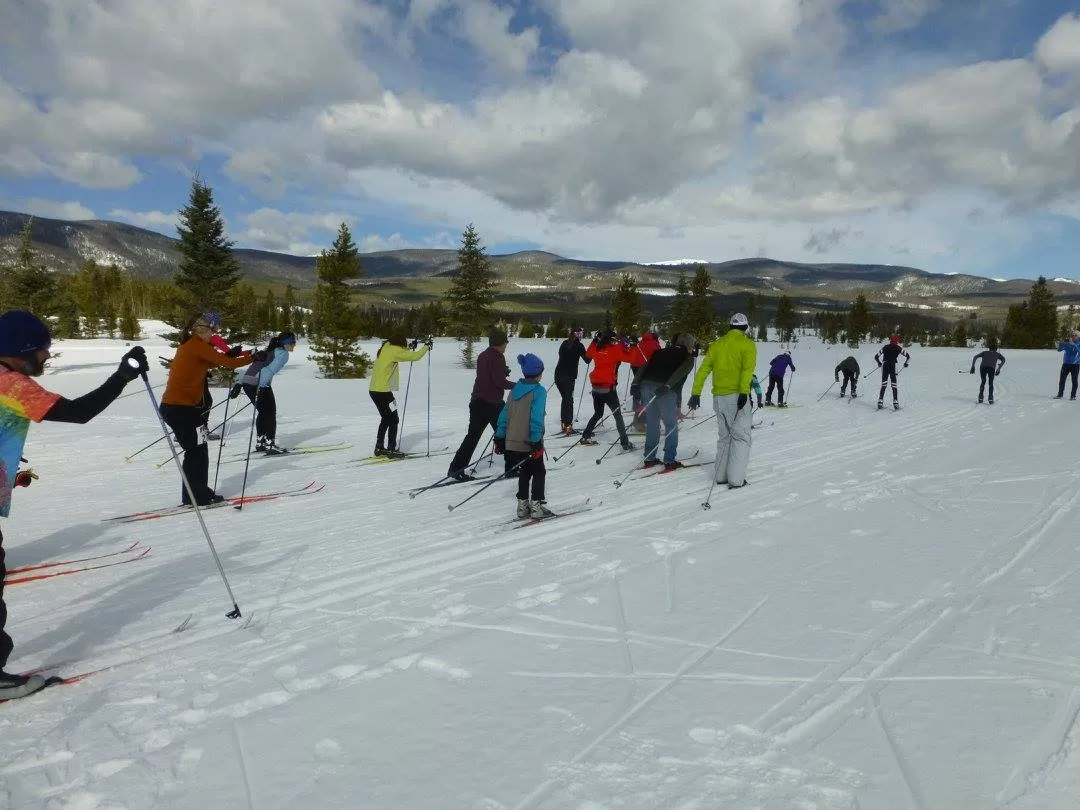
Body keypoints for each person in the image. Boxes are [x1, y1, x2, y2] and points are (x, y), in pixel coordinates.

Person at [0, 310, 149, 700]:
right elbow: (79, 413)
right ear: (19, 351)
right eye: (43, 350)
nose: (48, 357)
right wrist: (122, 376)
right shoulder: (12, 384)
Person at [161, 314, 252, 505]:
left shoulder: (193, 345)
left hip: (179, 408)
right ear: (203, 329)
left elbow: (214, 361)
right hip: (180, 408)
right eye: (214, 329)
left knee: (196, 451)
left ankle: (194, 494)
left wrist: (230, 355)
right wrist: (252, 357)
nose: (216, 333)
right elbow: (226, 364)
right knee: (197, 452)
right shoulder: (196, 345)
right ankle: (198, 495)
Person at [687, 313, 757, 489]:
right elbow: (747, 371)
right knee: (741, 437)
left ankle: (720, 476)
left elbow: (703, 370)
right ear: (745, 327)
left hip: (719, 398)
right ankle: (736, 479)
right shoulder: (747, 344)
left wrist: (695, 393)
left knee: (725, 437)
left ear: (730, 326)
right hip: (737, 397)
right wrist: (743, 392)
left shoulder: (717, 344)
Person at [447, 329, 514, 481]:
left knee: (472, 437)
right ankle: (513, 467)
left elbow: (487, 375)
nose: (506, 346)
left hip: (477, 401)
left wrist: (502, 372)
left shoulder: (483, 355)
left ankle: (456, 469)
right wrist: (517, 385)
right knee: (507, 432)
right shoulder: (498, 356)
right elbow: (498, 382)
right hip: (492, 403)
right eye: (505, 343)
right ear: (501, 343)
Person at [494, 353, 552, 519]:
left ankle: (522, 506)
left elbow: (505, 414)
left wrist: (500, 436)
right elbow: (536, 417)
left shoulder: (515, 390)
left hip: (513, 441)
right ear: (538, 373)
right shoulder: (539, 392)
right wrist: (536, 441)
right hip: (529, 440)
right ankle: (536, 506)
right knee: (539, 471)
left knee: (525, 471)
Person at [635, 333, 696, 470]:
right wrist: (668, 386)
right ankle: (669, 460)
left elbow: (645, 366)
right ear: (688, 346)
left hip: (646, 385)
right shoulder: (688, 358)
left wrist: (635, 384)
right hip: (664, 389)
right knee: (671, 425)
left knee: (652, 422)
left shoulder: (660, 351)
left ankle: (649, 458)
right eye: (692, 346)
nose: (692, 349)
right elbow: (679, 375)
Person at [369, 331, 430, 458]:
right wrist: (426, 346)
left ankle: (379, 447)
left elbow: (400, 352)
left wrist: (409, 347)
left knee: (386, 418)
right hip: (384, 392)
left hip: (374, 391)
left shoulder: (386, 346)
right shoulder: (396, 351)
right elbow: (415, 357)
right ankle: (391, 449)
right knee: (394, 419)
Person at [234, 331, 297, 453]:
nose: (294, 345)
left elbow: (256, 366)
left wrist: (242, 382)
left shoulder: (270, 350)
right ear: (286, 343)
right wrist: (261, 386)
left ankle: (261, 442)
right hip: (259, 383)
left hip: (248, 382)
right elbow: (269, 370)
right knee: (270, 413)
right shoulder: (282, 353)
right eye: (293, 342)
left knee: (263, 412)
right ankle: (270, 444)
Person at [580, 331, 637, 451]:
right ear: (611, 340)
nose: (616, 341)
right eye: (614, 340)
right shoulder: (614, 349)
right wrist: (632, 346)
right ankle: (625, 443)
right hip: (608, 389)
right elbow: (631, 358)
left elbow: (587, 355)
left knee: (598, 413)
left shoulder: (597, 347)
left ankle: (585, 436)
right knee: (617, 415)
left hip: (596, 387)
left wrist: (594, 340)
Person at [554, 327, 590, 436]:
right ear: (578, 335)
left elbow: (561, 356)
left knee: (566, 399)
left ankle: (564, 423)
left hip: (558, 376)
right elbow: (587, 359)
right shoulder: (579, 346)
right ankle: (568, 425)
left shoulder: (564, 343)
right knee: (569, 401)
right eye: (580, 334)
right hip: (568, 378)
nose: (581, 336)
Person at [629, 330, 661, 430]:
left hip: (635, 366)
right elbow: (658, 358)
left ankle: (636, 409)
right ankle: (640, 422)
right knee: (646, 394)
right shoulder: (655, 344)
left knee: (639, 389)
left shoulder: (641, 342)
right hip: (645, 368)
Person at [875, 335, 910, 410]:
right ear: (896, 341)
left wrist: (879, 363)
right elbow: (908, 356)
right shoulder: (898, 348)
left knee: (884, 384)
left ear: (890, 341)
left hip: (885, 366)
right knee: (894, 384)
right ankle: (895, 402)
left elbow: (876, 356)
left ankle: (880, 401)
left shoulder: (885, 347)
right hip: (893, 366)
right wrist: (906, 363)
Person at [1055, 331, 1080, 400]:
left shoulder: (1079, 344)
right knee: (1062, 380)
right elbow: (1059, 349)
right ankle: (1060, 394)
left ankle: (1073, 396)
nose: (1073, 336)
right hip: (1065, 364)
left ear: (1078, 336)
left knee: (1074, 381)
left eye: (1075, 335)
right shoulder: (1068, 343)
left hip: (1075, 365)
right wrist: (1059, 344)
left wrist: (1074, 345)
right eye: (1072, 335)